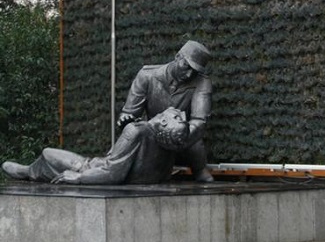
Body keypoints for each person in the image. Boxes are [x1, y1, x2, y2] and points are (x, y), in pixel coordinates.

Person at [1, 107, 189, 185]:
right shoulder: (170, 142)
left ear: (164, 122)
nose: (175, 111)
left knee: (48, 153)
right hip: (123, 174)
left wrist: (79, 177)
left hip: (94, 168)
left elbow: (113, 173)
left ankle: (28, 172)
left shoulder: (137, 131)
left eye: (174, 116)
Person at [117, 40, 214, 183]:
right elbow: (130, 112)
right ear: (177, 57)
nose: (188, 74)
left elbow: (199, 121)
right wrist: (126, 119)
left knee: (204, 176)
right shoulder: (146, 76)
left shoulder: (202, 83)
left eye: (194, 71)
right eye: (186, 66)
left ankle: (199, 169)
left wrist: (180, 133)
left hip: (184, 139)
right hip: (153, 136)